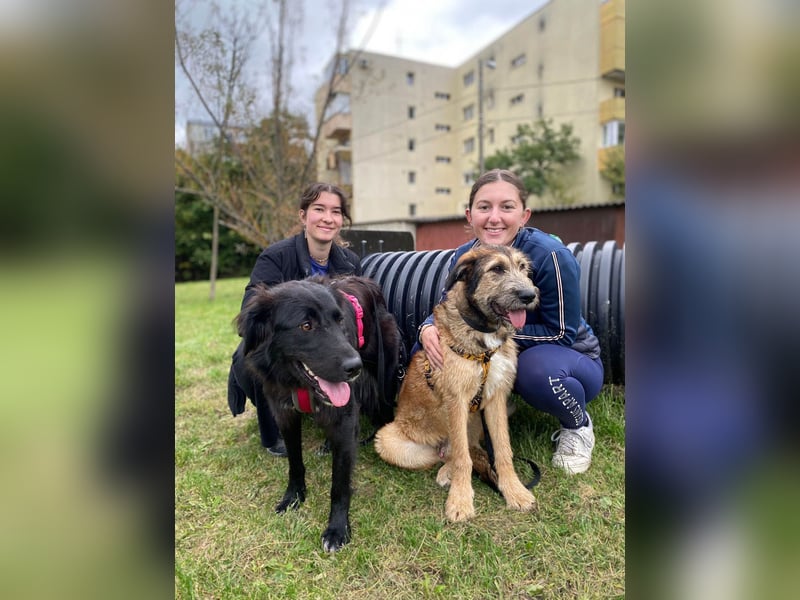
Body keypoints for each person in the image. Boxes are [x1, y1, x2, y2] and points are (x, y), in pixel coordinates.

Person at [417, 169, 604, 474]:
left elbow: (561, 333)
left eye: (507, 207)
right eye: (484, 207)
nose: (494, 217)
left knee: (536, 370)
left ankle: (577, 426)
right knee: (431, 345)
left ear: (524, 214)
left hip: (568, 360)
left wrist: (495, 339)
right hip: (495, 346)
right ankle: (458, 417)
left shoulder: (551, 255)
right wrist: (427, 327)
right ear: (469, 214)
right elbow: (450, 304)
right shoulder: (466, 255)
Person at [227, 182, 362, 456]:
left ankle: (337, 417)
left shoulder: (350, 261)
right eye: (319, 209)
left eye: (336, 211)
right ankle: (273, 431)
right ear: (303, 215)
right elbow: (250, 312)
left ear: (342, 220)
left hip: (330, 337)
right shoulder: (275, 256)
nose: (328, 217)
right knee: (249, 355)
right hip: (289, 339)